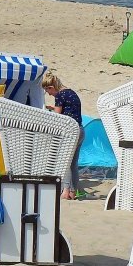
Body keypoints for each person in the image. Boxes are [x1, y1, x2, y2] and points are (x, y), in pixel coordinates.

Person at [43, 71, 85, 200]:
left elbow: (58, 117)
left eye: (47, 91)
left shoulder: (60, 95)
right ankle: (74, 192)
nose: (48, 94)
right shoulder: (71, 92)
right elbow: (70, 110)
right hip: (80, 130)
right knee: (73, 163)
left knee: (64, 162)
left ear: (52, 87)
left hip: (70, 132)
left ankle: (66, 191)